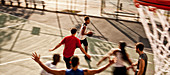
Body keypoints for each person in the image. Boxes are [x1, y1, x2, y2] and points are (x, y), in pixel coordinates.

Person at [32, 52, 115, 75]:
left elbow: (49, 71)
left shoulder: (65, 72)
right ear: (78, 63)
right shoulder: (84, 72)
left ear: (70, 62)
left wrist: (39, 62)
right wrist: (109, 64)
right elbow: (98, 71)